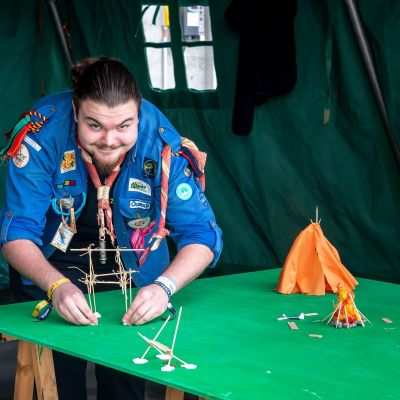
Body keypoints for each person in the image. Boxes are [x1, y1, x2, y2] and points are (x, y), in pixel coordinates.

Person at [0, 57, 222, 400]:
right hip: (51, 267)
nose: (109, 140)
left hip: (133, 273)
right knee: (60, 385)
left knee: (124, 388)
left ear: (138, 114)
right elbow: (17, 235)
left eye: (123, 126)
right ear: (76, 111)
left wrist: (163, 288)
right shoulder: (41, 135)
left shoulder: (161, 143)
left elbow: (202, 235)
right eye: (95, 125)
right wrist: (57, 287)